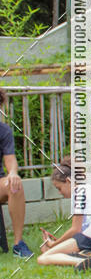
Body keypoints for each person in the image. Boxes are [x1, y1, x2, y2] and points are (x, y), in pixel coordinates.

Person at [37, 157, 91, 272]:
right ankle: (84, 255)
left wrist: (53, 245)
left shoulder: (78, 192)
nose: (60, 192)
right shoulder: (88, 189)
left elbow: (75, 230)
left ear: (68, 181)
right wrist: (61, 243)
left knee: (43, 258)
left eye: (59, 188)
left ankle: (80, 261)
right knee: (58, 251)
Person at [0, 87, 32, 258]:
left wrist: (13, 173)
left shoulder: (4, 131)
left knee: (15, 186)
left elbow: (10, 160)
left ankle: (18, 244)